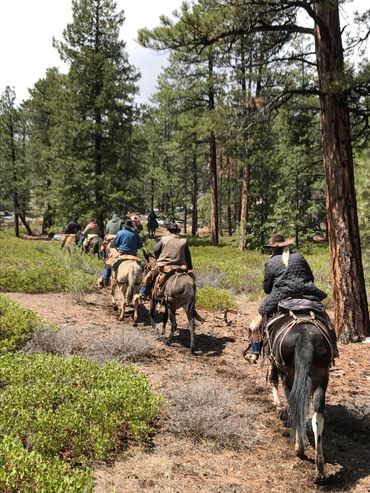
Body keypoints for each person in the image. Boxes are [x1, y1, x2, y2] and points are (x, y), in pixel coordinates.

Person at [244, 233, 330, 363]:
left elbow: (267, 289)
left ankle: (255, 350)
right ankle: (333, 349)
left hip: (281, 295)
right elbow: (311, 278)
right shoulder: (299, 256)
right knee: (326, 319)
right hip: (307, 292)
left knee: (257, 322)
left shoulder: (271, 262)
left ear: (272, 248)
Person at [140, 221, 192, 300]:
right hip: (181, 266)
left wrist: (159, 257)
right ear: (177, 232)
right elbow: (188, 256)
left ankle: (144, 292)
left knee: (151, 276)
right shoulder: (183, 241)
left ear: (169, 231)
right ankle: (192, 298)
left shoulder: (164, 239)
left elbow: (156, 250)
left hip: (165, 265)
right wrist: (190, 266)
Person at [100, 218, 143, 286]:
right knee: (142, 266)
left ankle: (105, 279)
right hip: (133, 255)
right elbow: (140, 246)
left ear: (124, 225)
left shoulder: (120, 232)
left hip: (122, 253)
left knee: (108, 263)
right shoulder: (136, 234)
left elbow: (115, 244)